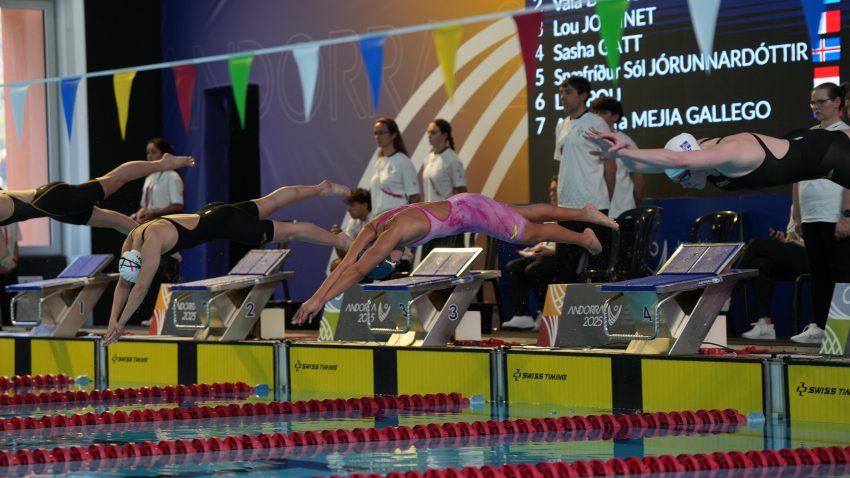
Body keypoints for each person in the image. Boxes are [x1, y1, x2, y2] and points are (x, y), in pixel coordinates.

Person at [291, 192, 619, 325]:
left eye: (391, 263)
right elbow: (349, 262)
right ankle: (583, 213)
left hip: (470, 212)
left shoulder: (388, 238)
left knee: (527, 232)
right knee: (523, 213)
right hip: (465, 208)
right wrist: (315, 297)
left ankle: (583, 236)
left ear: (386, 256)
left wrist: (319, 301)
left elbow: (358, 269)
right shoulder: (372, 228)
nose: (397, 260)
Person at [103, 180, 352, 345]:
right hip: (215, 211)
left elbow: (139, 288)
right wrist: (113, 319)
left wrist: (121, 324)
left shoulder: (152, 244)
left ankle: (339, 241)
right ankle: (321, 187)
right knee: (272, 201)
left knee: (290, 231)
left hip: (228, 224)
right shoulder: (133, 238)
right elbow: (124, 284)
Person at [585, 125, 850, 191]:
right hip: (811, 151)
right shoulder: (704, 160)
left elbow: (679, 161)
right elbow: (646, 165)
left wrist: (625, 151)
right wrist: (624, 152)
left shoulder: (732, 152)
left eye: (684, 179)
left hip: (831, 155)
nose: (684, 185)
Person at [788, 82, 850, 344]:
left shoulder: (845, 134)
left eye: (821, 102)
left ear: (838, 103)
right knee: (820, 275)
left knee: (841, 274)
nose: (816, 107)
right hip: (811, 217)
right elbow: (796, 177)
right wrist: (798, 216)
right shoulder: (808, 135)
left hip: (834, 217)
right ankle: (822, 328)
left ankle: (841, 334)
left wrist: (846, 214)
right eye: (813, 103)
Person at [0, 153, 195, 234]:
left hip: (55, 200)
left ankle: (163, 163)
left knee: (114, 180)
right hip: (54, 208)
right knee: (113, 221)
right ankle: (161, 244)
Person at [553, 77, 616, 283]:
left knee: (598, 270)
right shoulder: (561, 126)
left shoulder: (597, 123)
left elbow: (610, 164)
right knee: (565, 270)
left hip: (593, 206)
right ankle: (568, 316)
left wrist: (608, 202)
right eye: (561, 92)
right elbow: (564, 163)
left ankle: (601, 314)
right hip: (566, 208)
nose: (563, 97)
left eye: (568, 92)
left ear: (583, 96)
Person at [134, 138, 185, 327]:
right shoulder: (150, 177)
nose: (149, 156)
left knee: (167, 271)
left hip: (167, 229)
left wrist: (154, 213)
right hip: (150, 230)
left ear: (164, 154)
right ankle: (157, 316)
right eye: (147, 153)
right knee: (151, 273)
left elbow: (178, 205)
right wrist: (138, 215)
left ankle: (169, 316)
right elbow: (144, 205)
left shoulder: (172, 176)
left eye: (153, 152)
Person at [500, 177, 561, 331]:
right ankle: (523, 315)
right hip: (544, 255)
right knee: (513, 267)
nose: (552, 193)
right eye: (550, 190)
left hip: (561, 257)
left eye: (555, 190)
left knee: (533, 270)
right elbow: (547, 239)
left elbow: (572, 246)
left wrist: (552, 251)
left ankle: (546, 312)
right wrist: (535, 249)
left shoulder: (569, 213)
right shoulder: (551, 213)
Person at [738, 209, 809, 340]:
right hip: (797, 254)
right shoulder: (797, 204)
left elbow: (824, 244)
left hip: (818, 257)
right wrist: (784, 240)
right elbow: (791, 237)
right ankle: (765, 325)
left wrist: (791, 243)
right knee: (759, 264)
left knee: (756, 245)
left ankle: (727, 290)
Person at [589, 97, 645, 218]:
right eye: (596, 112)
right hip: (597, 212)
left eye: (603, 113)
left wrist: (630, 209)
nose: (598, 116)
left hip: (622, 213)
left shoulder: (625, 142)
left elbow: (639, 180)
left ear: (615, 117)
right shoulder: (588, 141)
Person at [421, 119, 468, 253]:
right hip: (430, 219)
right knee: (429, 261)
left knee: (449, 261)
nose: (429, 136)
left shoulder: (452, 159)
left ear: (444, 135)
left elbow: (462, 191)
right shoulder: (428, 158)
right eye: (428, 132)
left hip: (449, 219)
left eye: (433, 132)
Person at [370, 117, 420, 216]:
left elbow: (415, 197)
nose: (378, 136)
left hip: (398, 220)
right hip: (379, 220)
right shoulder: (379, 162)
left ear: (393, 135)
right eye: (375, 133)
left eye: (382, 132)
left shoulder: (403, 161)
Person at [330, 188, 371, 272]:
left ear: (365, 205)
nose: (348, 209)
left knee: (339, 265)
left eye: (352, 205)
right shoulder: (353, 222)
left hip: (386, 260)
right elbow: (345, 254)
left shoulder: (377, 219)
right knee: (337, 264)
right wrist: (337, 238)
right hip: (367, 259)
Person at [0, 194, 21, 330]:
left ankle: (11, 326)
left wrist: (14, 262)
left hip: (11, 266)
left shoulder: (13, 219)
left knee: (10, 299)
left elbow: (15, 243)